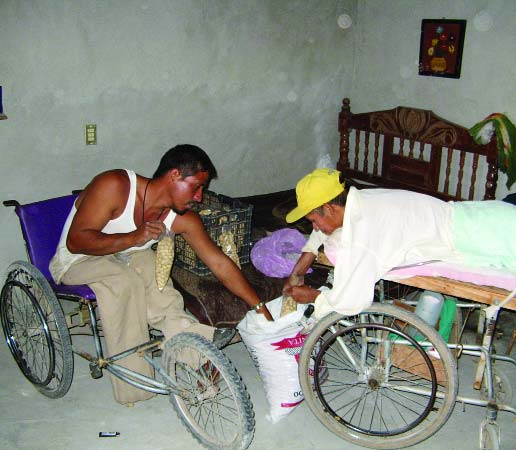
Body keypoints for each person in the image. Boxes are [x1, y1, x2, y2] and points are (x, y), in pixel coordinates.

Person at [49, 144, 272, 405]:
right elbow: (76, 241)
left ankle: (198, 354)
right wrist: (133, 237)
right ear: (174, 175)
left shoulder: (182, 219)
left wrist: (257, 306)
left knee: (163, 292)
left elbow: (219, 264)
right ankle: (134, 384)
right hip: (79, 259)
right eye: (196, 187)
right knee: (125, 282)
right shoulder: (115, 185)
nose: (199, 197)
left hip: (127, 255)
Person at [283, 168, 516, 319]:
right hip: (485, 216)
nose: (314, 228)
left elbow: (350, 301)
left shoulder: (365, 233)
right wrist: (300, 268)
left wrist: (314, 297)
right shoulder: (359, 199)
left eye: (313, 221)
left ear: (329, 207)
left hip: (491, 237)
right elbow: (326, 229)